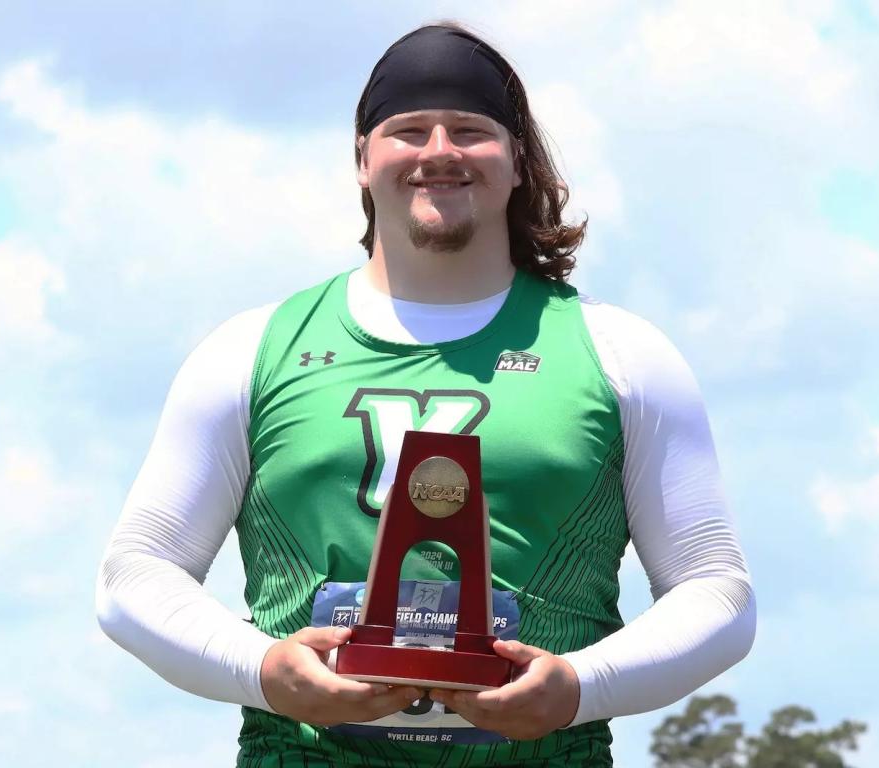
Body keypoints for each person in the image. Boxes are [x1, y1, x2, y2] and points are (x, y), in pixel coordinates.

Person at [97, 22, 756, 767]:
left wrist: (581, 687)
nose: (439, 151)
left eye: (470, 131)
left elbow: (716, 592)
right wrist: (264, 672)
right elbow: (134, 575)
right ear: (362, 158)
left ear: (516, 160)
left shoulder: (622, 355)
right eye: (409, 130)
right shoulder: (250, 351)